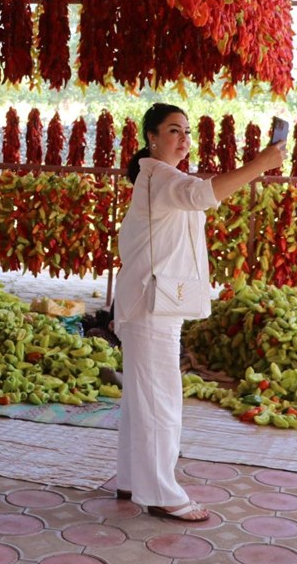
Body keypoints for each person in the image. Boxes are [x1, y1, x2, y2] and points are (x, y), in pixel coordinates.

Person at [113, 103, 285, 522]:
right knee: (160, 402)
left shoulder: (161, 178)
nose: (184, 138)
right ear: (151, 137)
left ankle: (134, 481)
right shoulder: (158, 176)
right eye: (174, 130)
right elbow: (203, 194)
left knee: (143, 400)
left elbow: (197, 193)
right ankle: (161, 494)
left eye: (187, 131)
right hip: (151, 305)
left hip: (150, 303)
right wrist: (260, 163)